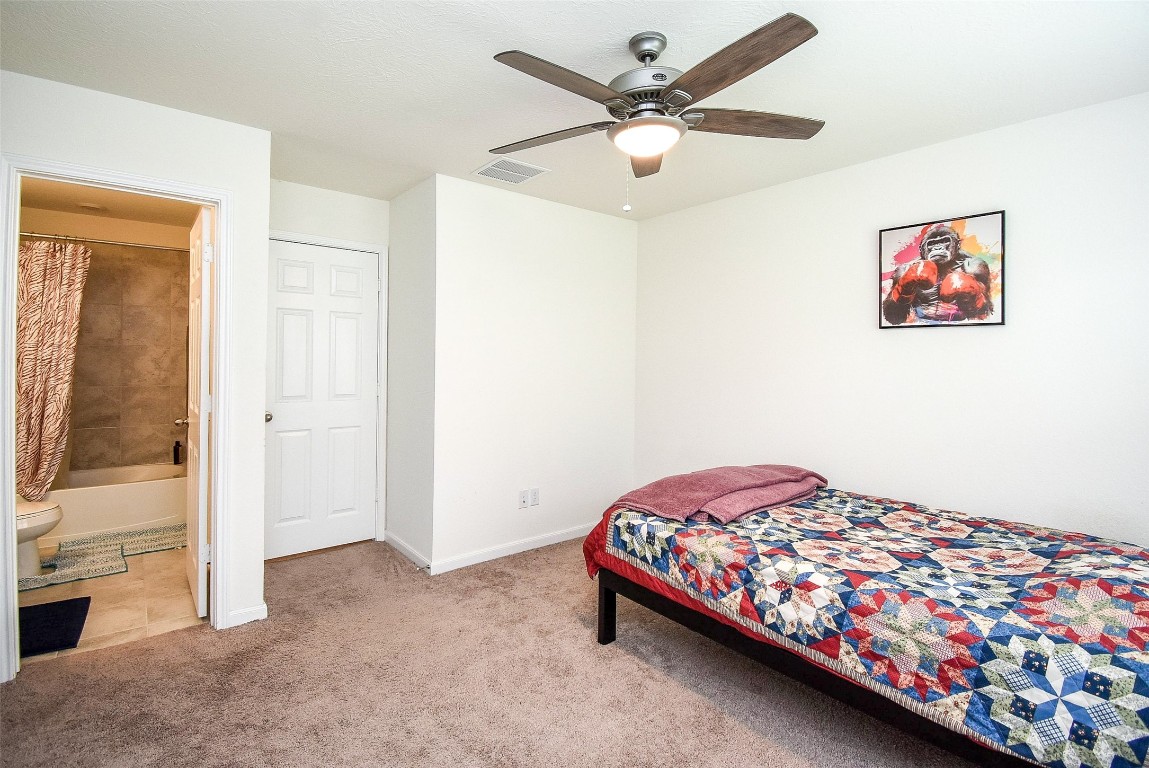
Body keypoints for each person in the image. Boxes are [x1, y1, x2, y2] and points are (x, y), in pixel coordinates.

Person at [882, 225, 993, 325]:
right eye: (932, 243)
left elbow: (985, 314)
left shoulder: (973, 266)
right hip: (921, 324)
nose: (938, 248)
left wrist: (975, 294)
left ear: (957, 245)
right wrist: (903, 289)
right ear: (921, 250)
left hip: (962, 325)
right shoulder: (906, 269)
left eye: (944, 241)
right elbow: (893, 318)